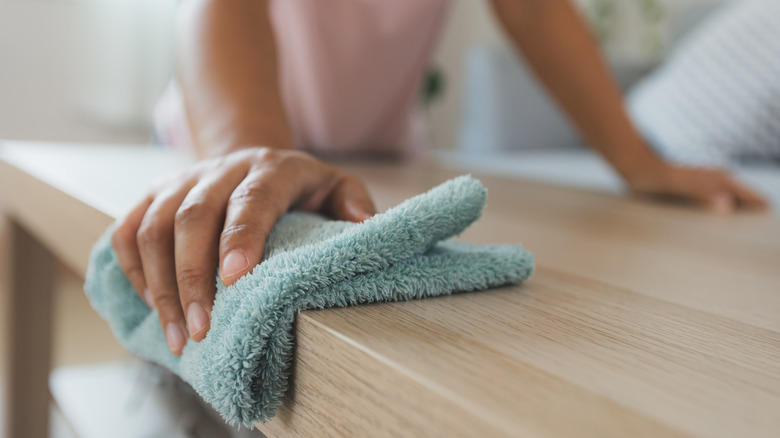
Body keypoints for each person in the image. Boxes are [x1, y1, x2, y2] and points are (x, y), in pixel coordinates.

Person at [111, 0, 768, 358]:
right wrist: (250, 152)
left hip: (375, 159)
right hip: (214, 148)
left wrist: (638, 160)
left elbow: (534, 11)